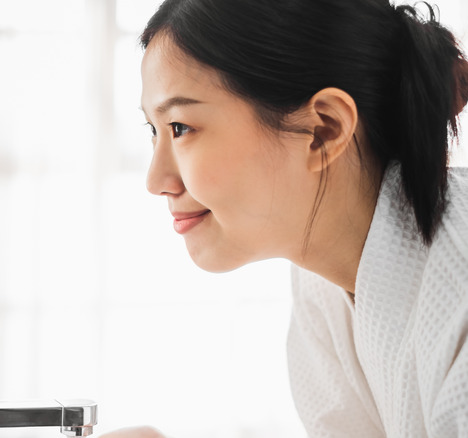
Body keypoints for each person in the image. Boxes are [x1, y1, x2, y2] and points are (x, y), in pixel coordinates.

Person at [102, 0, 468, 436]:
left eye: (181, 127)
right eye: (154, 131)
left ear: (323, 130)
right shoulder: (323, 288)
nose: (155, 180)